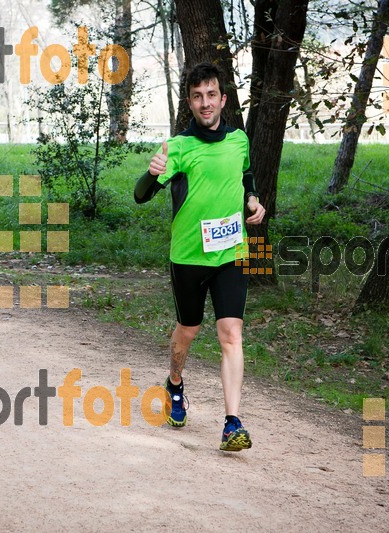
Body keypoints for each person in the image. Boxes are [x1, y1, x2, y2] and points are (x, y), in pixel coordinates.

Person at [133, 62, 265, 451]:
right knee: (188, 331)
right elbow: (141, 195)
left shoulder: (239, 139)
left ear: (222, 99)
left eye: (211, 95)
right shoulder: (178, 148)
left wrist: (253, 199)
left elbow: (246, 174)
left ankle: (232, 422)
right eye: (197, 96)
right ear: (189, 102)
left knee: (231, 333)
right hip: (189, 257)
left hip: (232, 253)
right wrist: (152, 171)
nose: (205, 103)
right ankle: (174, 383)